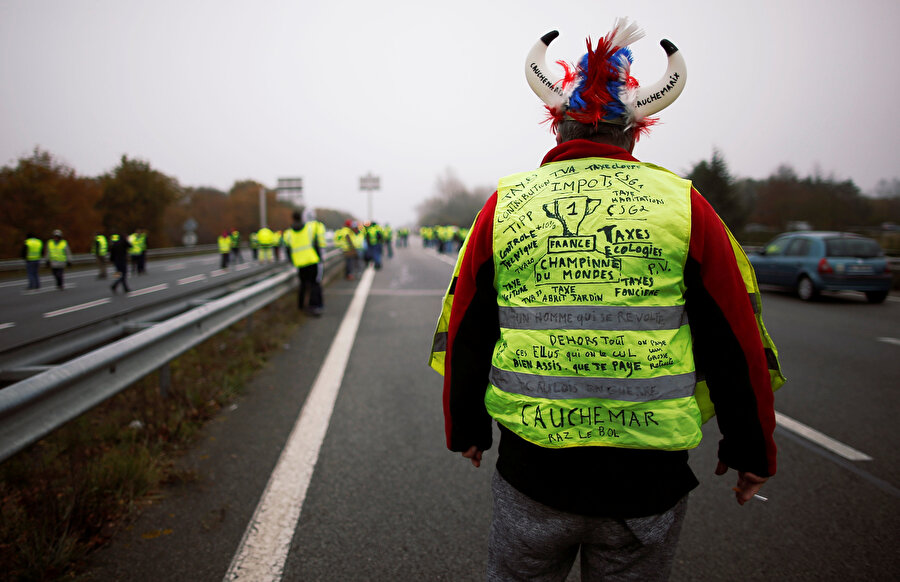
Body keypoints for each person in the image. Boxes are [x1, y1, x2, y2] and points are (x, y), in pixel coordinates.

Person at [429, 19, 785, 581]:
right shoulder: (683, 205)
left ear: (557, 127)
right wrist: (751, 449)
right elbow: (732, 337)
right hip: (647, 485)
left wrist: (467, 428)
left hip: (532, 473)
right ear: (635, 133)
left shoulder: (506, 204)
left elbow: (469, 325)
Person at [283, 209, 326, 315]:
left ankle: (301, 306)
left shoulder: (288, 233)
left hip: (299, 263)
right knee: (314, 284)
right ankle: (314, 306)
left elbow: (287, 250)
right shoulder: (309, 229)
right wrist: (319, 257)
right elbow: (315, 244)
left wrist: (292, 261)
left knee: (303, 284)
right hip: (312, 260)